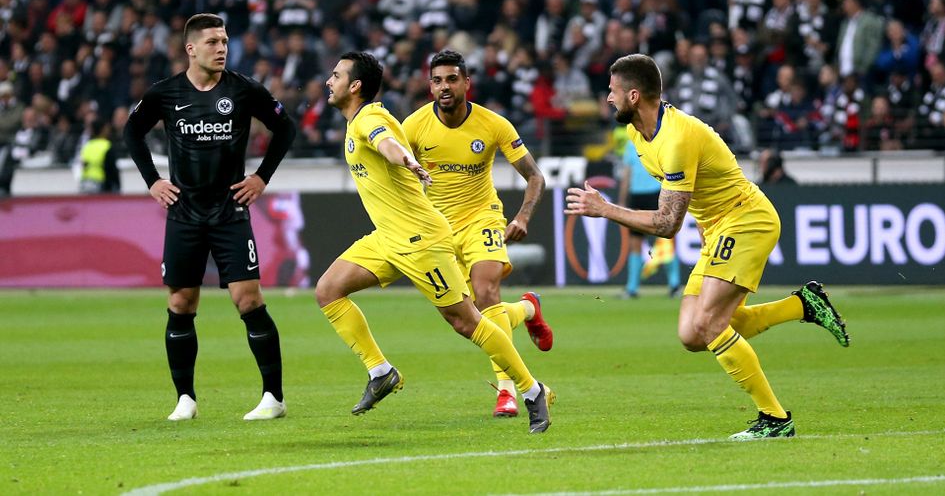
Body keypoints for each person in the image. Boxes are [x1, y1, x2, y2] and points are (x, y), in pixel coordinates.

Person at [565, 54, 849, 440]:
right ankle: (803, 305)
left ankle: (776, 419)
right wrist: (704, 223)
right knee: (692, 334)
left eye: (613, 92)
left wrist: (606, 209)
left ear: (634, 95)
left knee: (709, 322)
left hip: (747, 219)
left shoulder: (677, 137)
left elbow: (667, 223)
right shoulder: (636, 133)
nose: (608, 99)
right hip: (718, 227)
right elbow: (695, 190)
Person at [315, 51, 553, 433]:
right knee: (328, 289)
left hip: (422, 240)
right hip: (389, 238)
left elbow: (386, 143)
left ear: (355, 86)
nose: (329, 81)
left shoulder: (370, 119)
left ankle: (530, 390)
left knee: (467, 320)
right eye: (437, 80)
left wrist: (403, 159)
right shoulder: (390, 120)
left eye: (336, 74)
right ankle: (381, 371)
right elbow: (395, 140)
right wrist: (407, 158)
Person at [124, 14, 296, 422]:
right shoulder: (165, 93)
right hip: (184, 212)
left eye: (224, 40)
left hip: (230, 211)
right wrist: (152, 181)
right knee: (181, 302)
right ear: (191, 48)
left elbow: (285, 128)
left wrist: (260, 177)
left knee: (248, 299)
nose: (221, 48)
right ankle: (185, 399)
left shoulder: (243, 89)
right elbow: (132, 132)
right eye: (213, 42)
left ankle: (274, 397)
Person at [402, 50, 553, 418]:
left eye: (452, 79)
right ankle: (528, 308)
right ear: (430, 86)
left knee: (486, 293)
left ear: (466, 83)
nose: (444, 87)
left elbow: (535, 176)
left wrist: (523, 216)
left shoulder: (493, 124)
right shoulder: (414, 126)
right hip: (437, 228)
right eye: (437, 80)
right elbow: (395, 175)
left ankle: (508, 392)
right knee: (467, 318)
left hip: (482, 219)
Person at [615, 126, 680, 298]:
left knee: (659, 240)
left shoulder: (650, 142)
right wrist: (622, 200)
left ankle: (670, 285)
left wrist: (622, 200)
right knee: (642, 242)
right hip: (643, 196)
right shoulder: (635, 144)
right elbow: (627, 174)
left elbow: (628, 174)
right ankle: (635, 287)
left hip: (652, 195)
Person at [79, 118, 121, 193]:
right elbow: (112, 169)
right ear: (103, 129)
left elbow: (83, 165)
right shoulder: (107, 146)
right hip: (102, 184)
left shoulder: (87, 146)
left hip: (86, 183)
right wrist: (117, 186)